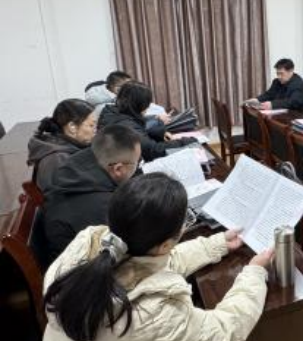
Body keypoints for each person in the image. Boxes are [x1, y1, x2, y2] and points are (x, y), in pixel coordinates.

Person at [42, 173, 273, 341]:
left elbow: (157, 263)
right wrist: (254, 272)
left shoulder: (88, 248)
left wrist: (217, 244)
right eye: (185, 221)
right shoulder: (154, 318)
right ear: (164, 244)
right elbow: (225, 329)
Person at [40, 125, 141, 268]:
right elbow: (127, 252)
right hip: (79, 273)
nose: (138, 168)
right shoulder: (103, 207)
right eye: (137, 162)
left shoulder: (76, 164)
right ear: (118, 169)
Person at [98, 81, 197, 162]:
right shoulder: (126, 126)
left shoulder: (112, 111)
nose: (148, 106)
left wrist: (160, 132)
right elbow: (153, 151)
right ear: (139, 104)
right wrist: (187, 141)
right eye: (147, 103)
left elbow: (138, 124)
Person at [28, 100, 96, 194]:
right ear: (72, 127)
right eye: (91, 125)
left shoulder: (61, 146)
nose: (95, 130)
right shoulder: (58, 159)